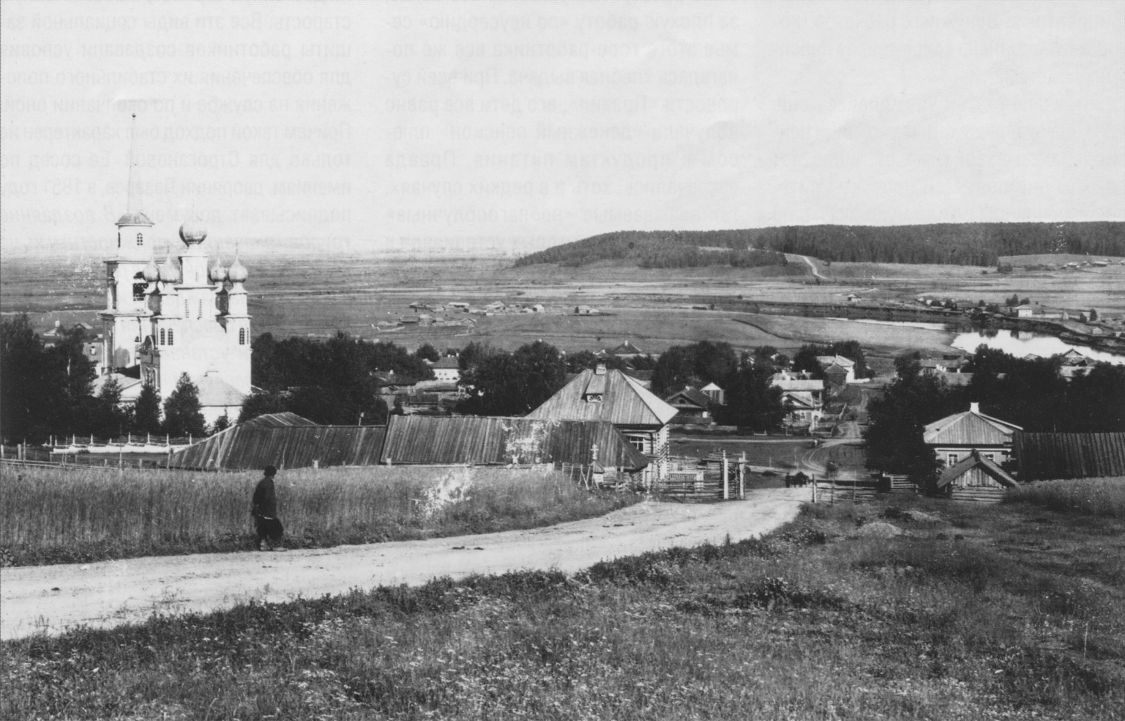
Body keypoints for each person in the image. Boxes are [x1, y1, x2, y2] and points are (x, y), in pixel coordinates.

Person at [251, 465, 285, 551]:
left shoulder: (261, 482)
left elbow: (255, 497)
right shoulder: (269, 483)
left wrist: (257, 507)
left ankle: (263, 545)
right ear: (273, 474)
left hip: (260, 510)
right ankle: (275, 545)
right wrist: (267, 508)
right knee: (277, 528)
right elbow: (268, 497)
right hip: (268, 511)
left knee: (263, 528)